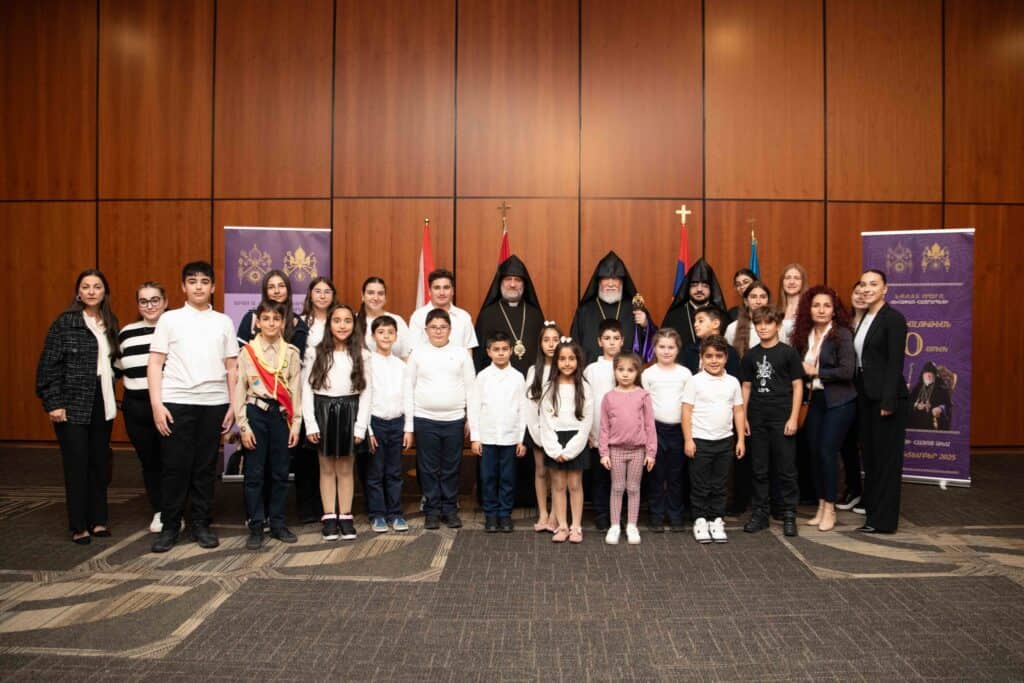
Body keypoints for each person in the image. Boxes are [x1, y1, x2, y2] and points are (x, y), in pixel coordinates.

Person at [148, 261, 238, 553]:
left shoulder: (223, 321)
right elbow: (155, 363)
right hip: (176, 401)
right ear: (183, 287)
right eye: (192, 281)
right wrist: (157, 405)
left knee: (205, 468)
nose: (198, 286)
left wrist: (233, 405)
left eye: (204, 281)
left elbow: (232, 366)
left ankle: (201, 523)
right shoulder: (169, 319)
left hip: (214, 402)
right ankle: (171, 526)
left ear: (213, 287)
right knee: (175, 467)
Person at [36, 269, 120, 544]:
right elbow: (48, 367)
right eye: (86, 287)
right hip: (72, 403)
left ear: (105, 292)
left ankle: (98, 520)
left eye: (97, 286)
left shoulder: (110, 322)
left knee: (99, 462)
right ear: (78, 293)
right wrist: (54, 402)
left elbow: (114, 363)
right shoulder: (65, 322)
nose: (92, 291)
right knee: (77, 464)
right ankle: (79, 525)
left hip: (102, 400)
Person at [234, 301, 302, 549]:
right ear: (258, 322)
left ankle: (278, 523)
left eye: (276, 319)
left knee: (280, 473)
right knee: (254, 473)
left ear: (283, 323)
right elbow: (240, 389)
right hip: (256, 414)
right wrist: (243, 426)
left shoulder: (291, 353)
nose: (271, 323)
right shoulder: (248, 352)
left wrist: (296, 424)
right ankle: (256, 525)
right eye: (266, 319)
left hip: (281, 416)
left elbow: (296, 390)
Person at [791, 286, 857, 532]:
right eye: (816, 305)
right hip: (813, 400)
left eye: (827, 306)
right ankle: (820, 506)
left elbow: (847, 371)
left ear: (834, 310)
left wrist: (817, 371)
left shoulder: (842, 334)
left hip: (839, 401)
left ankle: (830, 509)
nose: (821, 310)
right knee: (815, 453)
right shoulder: (803, 335)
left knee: (828, 452)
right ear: (808, 309)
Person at [404, 308, 477, 529]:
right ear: (426, 330)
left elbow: (471, 389)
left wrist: (471, 421)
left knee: (451, 467)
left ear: (450, 329)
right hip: (425, 419)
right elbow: (408, 389)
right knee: (428, 468)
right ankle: (432, 510)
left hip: (454, 419)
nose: (438, 331)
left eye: (443, 327)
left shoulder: (461, 353)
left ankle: (450, 509)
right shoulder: (417, 354)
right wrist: (409, 426)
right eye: (433, 327)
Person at [303, 304, 371, 542]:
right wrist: (311, 423)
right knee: (326, 468)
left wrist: (360, 426)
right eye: (337, 321)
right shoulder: (315, 353)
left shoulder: (362, 354)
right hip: (323, 411)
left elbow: (367, 392)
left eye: (347, 321)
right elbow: (306, 389)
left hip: (350, 412)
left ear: (354, 325)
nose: (342, 326)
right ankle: (329, 516)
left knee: (345, 468)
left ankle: (346, 516)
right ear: (329, 324)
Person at [739, 307, 804, 537]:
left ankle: (789, 514)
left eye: (768, 323)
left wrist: (793, 417)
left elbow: (798, 386)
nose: (763, 327)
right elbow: (746, 387)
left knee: (786, 468)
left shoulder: (789, 353)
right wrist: (743, 417)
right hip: (757, 418)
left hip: (782, 417)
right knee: (759, 468)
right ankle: (760, 514)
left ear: (777, 325)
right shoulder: (750, 355)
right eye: (759, 323)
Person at [853, 269, 909, 534]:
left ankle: (884, 521)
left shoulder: (894, 319)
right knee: (872, 459)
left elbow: (895, 364)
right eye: (863, 284)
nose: (867, 289)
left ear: (885, 289)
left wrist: (888, 402)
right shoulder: (865, 317)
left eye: (873, 284)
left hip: (887, 400)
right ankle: (873, 515)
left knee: (886, 461)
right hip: (865, 398)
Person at [682, 335, 745, 544]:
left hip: (725, 441)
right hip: (700, 440)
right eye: (709, 356)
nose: (714, 360)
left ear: (726, 357)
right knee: (700, 485)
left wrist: (740, 440)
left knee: (720, 484)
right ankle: (700, 520)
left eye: (719, 356)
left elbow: (738, 411)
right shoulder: (695, 381)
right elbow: (686, 411)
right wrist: (688, 439)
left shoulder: (732, 382)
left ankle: (716, 520)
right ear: (702, 358)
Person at [116, 282, 168, 534]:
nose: (150, 305)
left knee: (173, 460)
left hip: (169, 404)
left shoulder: (175, 329)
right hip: (136, 406)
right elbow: (117, 368)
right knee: (149, 461)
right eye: (144, 301)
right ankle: (160, 509)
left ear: (165, 302)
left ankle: (176, 508)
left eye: (155, 300)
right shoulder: (126, 333)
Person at [470, 331, 527, 533]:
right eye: (496, 349)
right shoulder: (482, 377)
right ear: (488, 352)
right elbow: (474, 408)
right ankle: (491, 515)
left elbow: (523, 409)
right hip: (488, 437)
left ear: (511, 351)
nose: (501, 353)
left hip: (510, 438)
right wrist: (475, 438)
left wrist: (521, 439)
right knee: (488, 478)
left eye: (504, 349)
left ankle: (505, 514)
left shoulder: (518, 377)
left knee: (507, 479)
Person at [539, 339, 593, 544]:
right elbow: (545, 419)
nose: (567, 363)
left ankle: (576, 526)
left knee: (575, 484)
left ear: (578, 361)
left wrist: (571, 451)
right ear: (556, 362)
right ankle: (562, 526)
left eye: (571, 358)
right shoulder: (549, 387)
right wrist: (554, 449)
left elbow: (587, 421)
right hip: (555, 440)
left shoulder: (584, 387)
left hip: (576, 440)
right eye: (562, 359)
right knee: (558, 484)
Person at [599, 352, 657, 545]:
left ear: (637, 372)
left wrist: (651, 452)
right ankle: (615, 525)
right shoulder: (609, 397)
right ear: (614, 371)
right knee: (617, 488)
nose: (625, 374)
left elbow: (649, 425)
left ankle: (632, 525)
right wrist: (604, 452)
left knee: (633, 488)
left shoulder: (643, 395)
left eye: (630, 370)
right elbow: (604, 427)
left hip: (637, 451)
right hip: (615, 450)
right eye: (620, 369)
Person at [641, 328, 692, 532]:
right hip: (655, 429)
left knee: (676, 476)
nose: (666, 351)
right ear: (654, 348)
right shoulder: (648, 374)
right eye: (662, 347)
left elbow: (689, 404)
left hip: (679, 430)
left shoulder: (685, 374)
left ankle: (675, 515)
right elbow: (644, 405)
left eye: (671, 347)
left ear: (678, 349)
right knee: (656, 475)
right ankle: (656, 516)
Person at [295, 276, 337, 523]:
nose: (322, 295)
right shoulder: (300, 323)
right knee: (306, 451)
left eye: (327, 291)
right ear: (310, 295)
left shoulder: (340, 320)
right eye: (317, 291)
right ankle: (307, 507)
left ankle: (330, 506)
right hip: (305, 391)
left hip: (334, 394)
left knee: (330, 452)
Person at [570, 251, 657, 364]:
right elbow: (575, 344)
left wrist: (645, 324)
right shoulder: (585, 310)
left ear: (622, 282)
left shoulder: (634, 307)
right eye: (606, 278)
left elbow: (653, 342)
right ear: (599, 282)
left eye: (615, 279)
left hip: (627, 370)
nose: (611, 284)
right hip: (591, 371)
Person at [364, 316, 409, 533]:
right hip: (375, 423)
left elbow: (408, 397)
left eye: (390, 332)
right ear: (373, 336)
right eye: (381, 332)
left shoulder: (401, 365)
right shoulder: (367, 363)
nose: (386, 336)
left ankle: (395, 513)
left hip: (397, 423)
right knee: (375, 472)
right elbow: (364, 397)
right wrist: (368, 429)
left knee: (394, 472)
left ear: (396, 336)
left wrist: (408, 428)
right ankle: (377, 514)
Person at [583, 319, 623, 532]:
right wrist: (590, 432)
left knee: (620, 478)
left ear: (622, 340)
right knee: (600, 478)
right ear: (599, 341)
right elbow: (587, 401)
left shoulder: (628, 365)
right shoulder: (592, 369)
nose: (612, 342)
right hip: (598, 432)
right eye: (607, 338)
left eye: (616, 338)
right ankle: (601, 513)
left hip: (623, 435)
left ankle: (618, 514)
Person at [474, 255, 545, 375]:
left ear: (524, 284)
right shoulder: (487, 315)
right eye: (508, 279)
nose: (512, 284)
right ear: (500, 283)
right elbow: (478, 356)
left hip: (532, 380)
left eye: (517, 280)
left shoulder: (535, 315)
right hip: (496, 381)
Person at [525, 322, 562, 532]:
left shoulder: (566, 367)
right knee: (540, 470)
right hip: (538, 429)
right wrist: (536, 432)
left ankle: (556, 515)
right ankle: (543, 513)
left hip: (558, 431)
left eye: (555, 340)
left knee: (557, 473)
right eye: (546, 340)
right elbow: (529, 403)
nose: (551, 344)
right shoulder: (533, 370)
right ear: (540, 343)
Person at [838, 282, 868, 512]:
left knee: (867, 443)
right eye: (856, 292)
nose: (860, 296)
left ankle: (870, 494)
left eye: (864, 292)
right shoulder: (843, 322)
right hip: (846, 388)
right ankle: (854, 489)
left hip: (867, 387)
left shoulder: (874, 321)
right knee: (847, 442)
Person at [237, 270, 309, 361]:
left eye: (281, 286)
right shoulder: (251, 318)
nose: (277, 291)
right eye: (271, 287)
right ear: (265, 291)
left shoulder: (298, 325)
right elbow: (240, 357)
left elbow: (297, 363)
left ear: (288, 290)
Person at [662, 258, 728, 347]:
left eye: (704, 285)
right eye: (694, 285)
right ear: (687, 288)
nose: (699, 289)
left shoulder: (722, 316)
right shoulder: (674, 316)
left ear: (712, 289)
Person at [408, 269, 478, 349]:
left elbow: (468, 351)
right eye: (437, 288)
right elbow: (413, 350)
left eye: (446, 288)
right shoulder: (418, 316)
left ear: (452, 291)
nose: (442, 293)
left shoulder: (464, 317)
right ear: (429, 291)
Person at [357, 276, 412, 358]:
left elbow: (406, 356)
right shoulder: (353, 321)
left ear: (385, 297)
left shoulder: (397, 320)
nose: (376, 298)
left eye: (380, 294)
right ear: (362, 295)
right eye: (370, 293)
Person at [681, 307, 741, 378]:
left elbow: (733, 379)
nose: (695, 325)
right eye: (695, 321)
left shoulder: (730, 352)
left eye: (700, 321)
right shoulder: (689, 351)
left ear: (716, 323)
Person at [725, 281, 771, 357]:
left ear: (768, 301)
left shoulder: (777, 326)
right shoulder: (732, 328)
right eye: (753, 297)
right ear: (746, 301)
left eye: (763, 297)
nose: (758, 301)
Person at [908, 362, 952, 431]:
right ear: (922, 375)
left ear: (935, 375)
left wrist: (940, 408)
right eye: (926, 373)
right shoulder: (917, 387)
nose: (928, 375)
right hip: (915, 423)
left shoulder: (941, 388)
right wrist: (915, 404)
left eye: (931, 373)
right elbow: (908, 402)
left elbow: (948, 406)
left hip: (932, 422)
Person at [778, 263, 808, 342]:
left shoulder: (809, 309)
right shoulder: (776, 309)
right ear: (782, 282)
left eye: (796, 278)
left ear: (803, 282)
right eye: (788, 278)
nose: (791, 282)